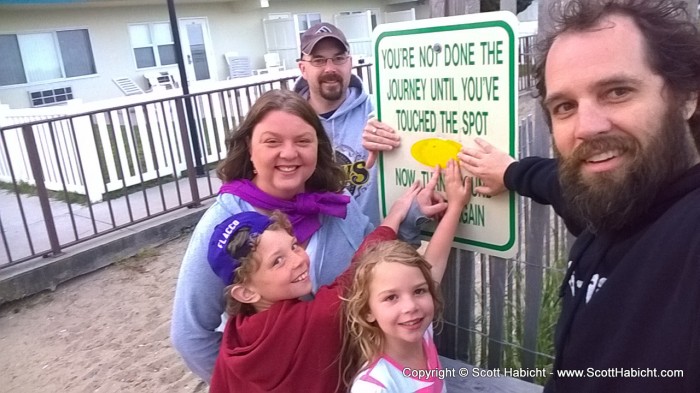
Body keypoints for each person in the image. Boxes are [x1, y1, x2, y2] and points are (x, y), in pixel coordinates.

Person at [458, 1, 700, 392]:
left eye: (617, 91)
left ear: (688, 96)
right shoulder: (615, 198)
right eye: (565, 106)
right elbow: (559, 183)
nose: (587, 127)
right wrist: (510, 171)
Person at [171, 89, 446, 383]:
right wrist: (249, 384)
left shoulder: (334, 202)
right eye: (272, 141)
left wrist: (411, 213)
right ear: (249, 149)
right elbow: (190, 333)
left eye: (303, 141)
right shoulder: (223, 225)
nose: (289, 153)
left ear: (318, 146)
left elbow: (377, 265)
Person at [207, 178, 427, 392]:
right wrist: (396, 216)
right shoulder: (318, 318)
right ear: (245, 292)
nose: (299, 260)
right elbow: (362, 268)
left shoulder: (233, 342)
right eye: (278, 261)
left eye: (294, 246)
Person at [341, 160, 471, 393]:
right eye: (391, 297)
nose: (411, 306)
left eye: (419, 291)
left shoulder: (421, 331)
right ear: (367, 310)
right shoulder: (376, 386)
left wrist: (455, 208)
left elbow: (436, 260)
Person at [294, 22, 400, 225]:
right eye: (318, 60)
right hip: (316, 249)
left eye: (339, 58)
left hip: (376, 246)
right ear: (303, 68)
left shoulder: (381, 111)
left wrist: (393, 139)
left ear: (350, 62)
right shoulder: (289, 123)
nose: (330, 68)